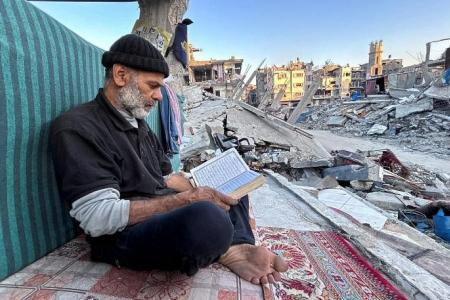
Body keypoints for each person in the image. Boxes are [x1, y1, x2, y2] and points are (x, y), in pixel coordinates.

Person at [50, 34, 288, 285]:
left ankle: (238, 246)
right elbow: (96, 217)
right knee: (207, 219)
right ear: (120, 76)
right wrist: (184, 201)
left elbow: (164, 176)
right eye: (153, 86)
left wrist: (195, 186)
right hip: (126, 234)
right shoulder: (78, 127)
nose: (159, 97)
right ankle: (228, 245)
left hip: (163, 207)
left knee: (234, 185)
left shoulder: (139, 124)